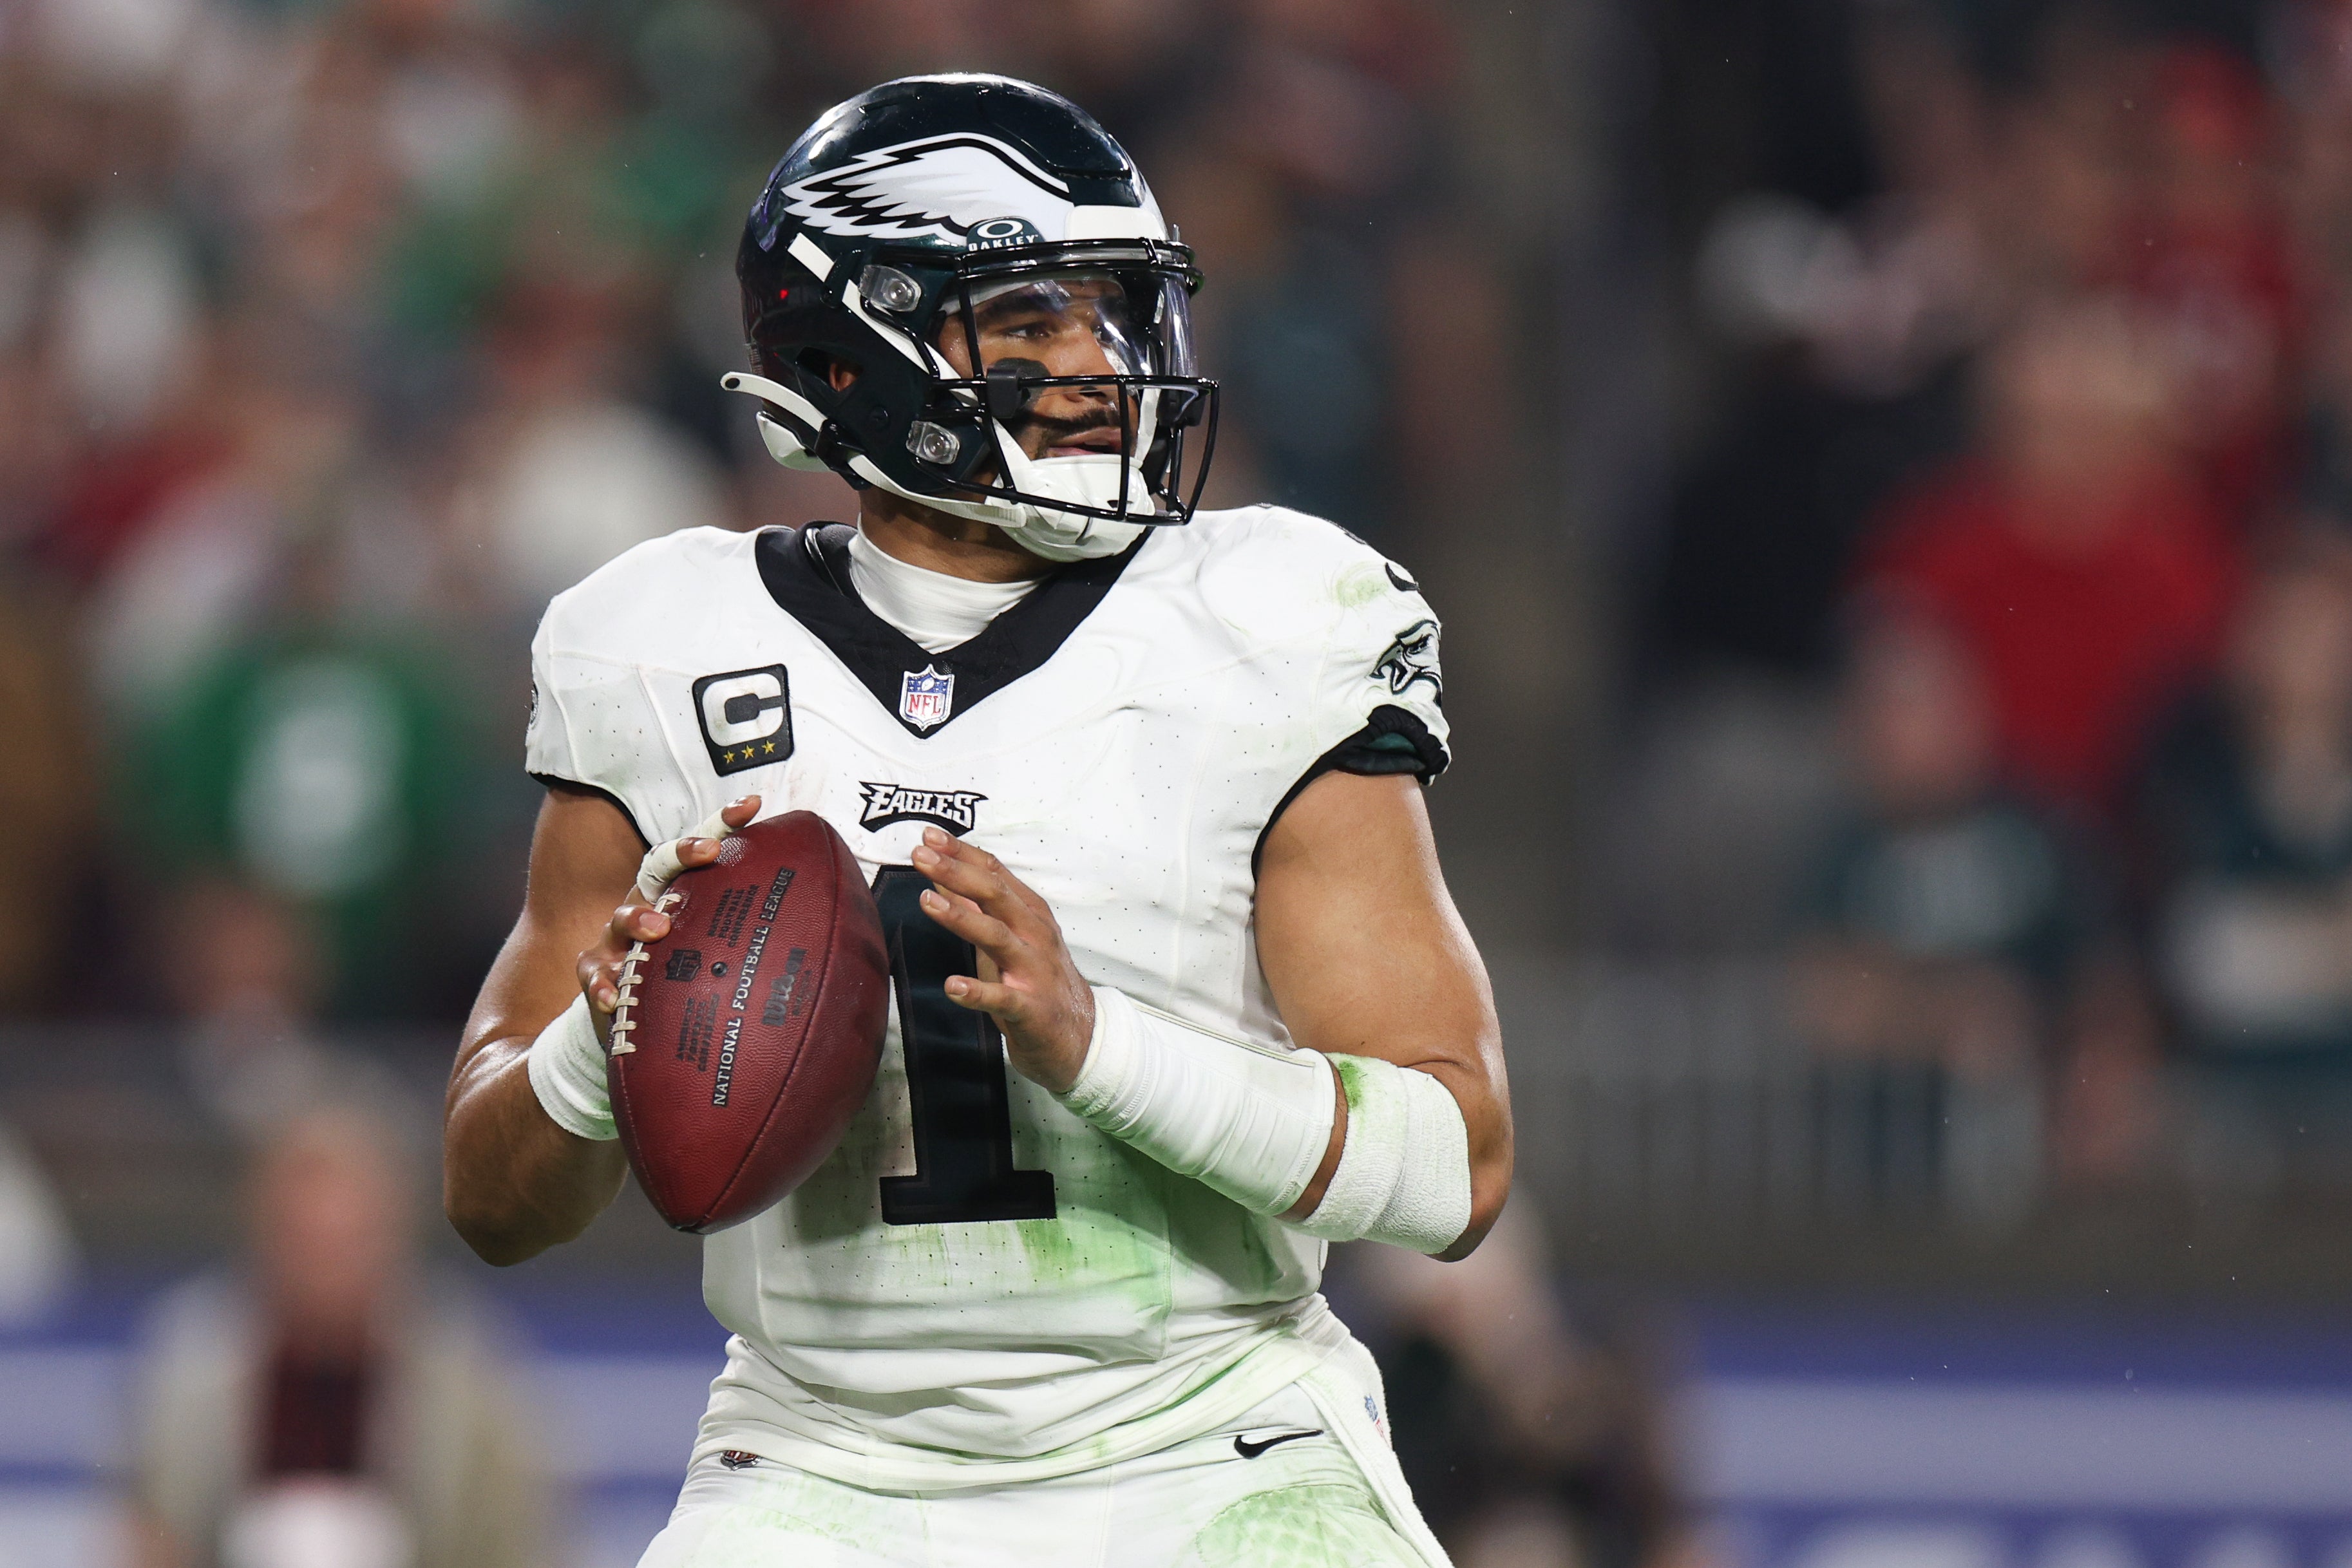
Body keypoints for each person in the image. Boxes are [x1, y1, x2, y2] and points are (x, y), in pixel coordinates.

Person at [441, 75, 1511, 1568]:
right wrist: (592, 1039)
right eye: (1027, 321)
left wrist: (1098, 1043)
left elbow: (1453, 1160)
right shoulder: (656, 645)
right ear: (852, 350)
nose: (1095, 364)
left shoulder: (1270, 620)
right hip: (820, 1455)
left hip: (1207, 1436)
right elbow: (490, 1198)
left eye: (1111, 313)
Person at [129, 1106, 549, 1568]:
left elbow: (512, 1542)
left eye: (347, 1242)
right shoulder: (194, 1376)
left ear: (394, 1237)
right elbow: (153, 1534)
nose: (325, 1269)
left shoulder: (466, 1386)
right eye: (305, 1240)